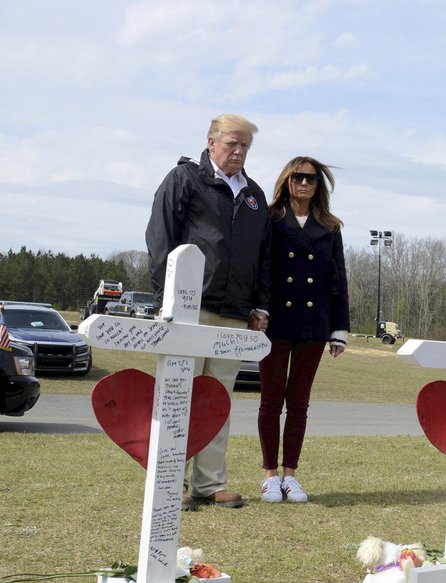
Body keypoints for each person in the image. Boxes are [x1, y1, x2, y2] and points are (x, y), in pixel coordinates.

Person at [146, 114, 272, 509]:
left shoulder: (254, 195)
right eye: (232, 144)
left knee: (218, 399)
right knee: (179, 395)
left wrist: (260, 305)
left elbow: (263, 257)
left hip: (234, 313)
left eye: (245, 146)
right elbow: (160, 237)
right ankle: (172, 481)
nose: (238, 152)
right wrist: (166, 297)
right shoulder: (184, 179)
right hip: (189, 307)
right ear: (211, 142)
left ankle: (210, 483)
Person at [257, 157, 349, 503]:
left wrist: (340, 328)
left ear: (318, 186)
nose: (304, 183)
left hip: (314, 323)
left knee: (299, 403)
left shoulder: (330, 227)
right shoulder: (270, 219)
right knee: (270, 400)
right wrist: (259, 309)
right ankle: (269, 475)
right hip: (275, 322)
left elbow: (338, 278)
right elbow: (263, 269)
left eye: (311, 179)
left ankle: (290, 475)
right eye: (298, 177)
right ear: (286, 180)